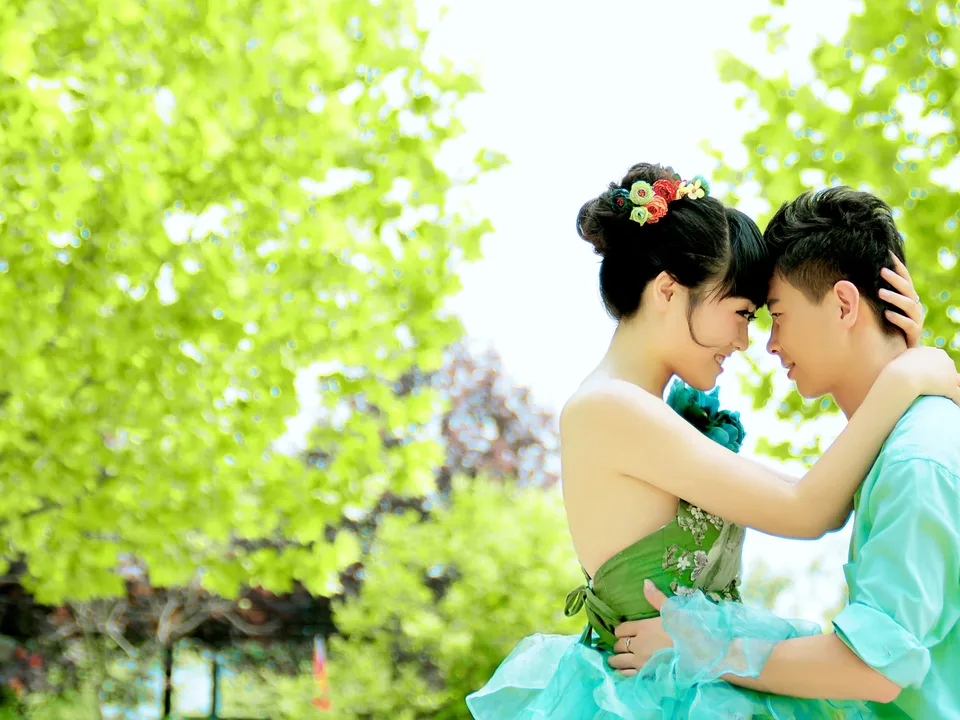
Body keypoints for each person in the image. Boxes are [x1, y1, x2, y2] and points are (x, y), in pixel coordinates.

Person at [465, 164, 959, 718]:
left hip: (694, 681)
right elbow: (807, 508)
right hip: (657, 694)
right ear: (668, 291)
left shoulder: (647, 413)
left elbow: (820, 496)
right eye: (743, 313)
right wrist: (902, 379)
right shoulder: (610, 407)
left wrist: (897, 365)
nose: (749, 341)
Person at [610, 187, 960, 719]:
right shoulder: (905, 443)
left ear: (843, 304)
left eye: (777, 314)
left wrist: (702, 649)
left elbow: (874, 668)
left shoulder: (917, 460)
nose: (770, 344)